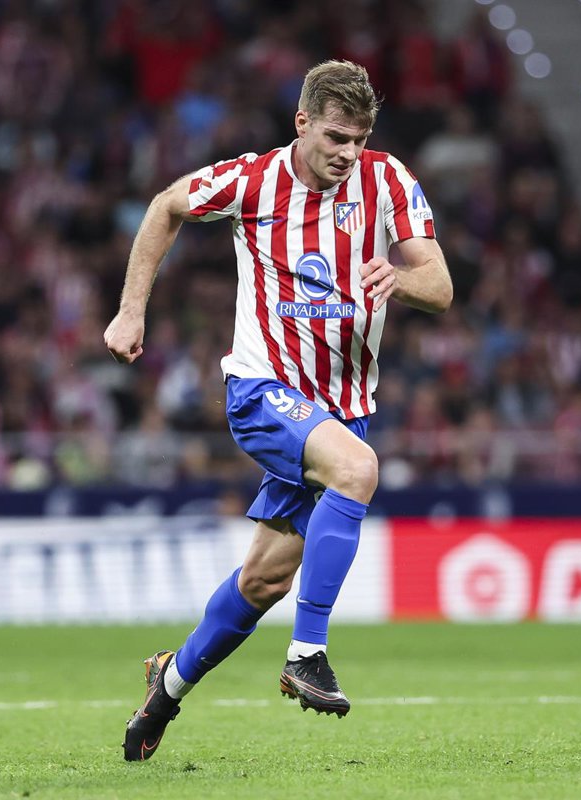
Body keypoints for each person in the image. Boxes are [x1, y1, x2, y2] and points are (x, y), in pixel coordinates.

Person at [103, 60, 453, 762]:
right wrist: (131, 310)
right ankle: (307, 654)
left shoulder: (388, 181)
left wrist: (399, 277)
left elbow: (440, 287)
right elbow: (166, 205)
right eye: (335, 137)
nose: (347, 153)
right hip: (263, 392)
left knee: (263, 580)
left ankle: (165, 687)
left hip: (339, 412)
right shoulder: (254, 180)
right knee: (358, 470)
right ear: (302, 123)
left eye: (358, 139)